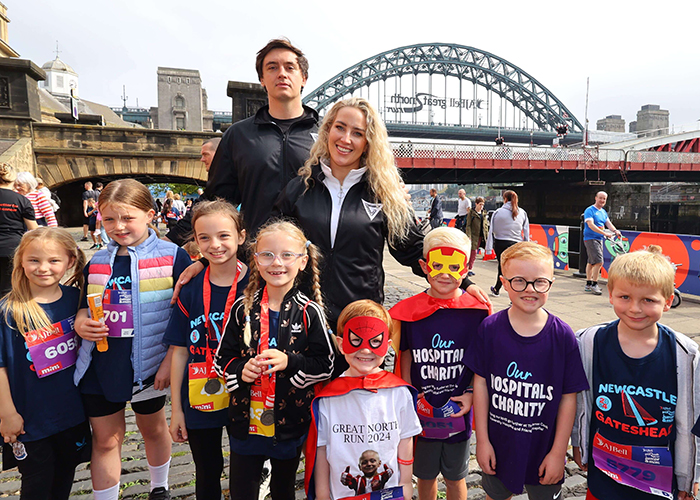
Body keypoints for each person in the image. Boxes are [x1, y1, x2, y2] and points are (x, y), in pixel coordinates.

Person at [273, 98, 488, 347]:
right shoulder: (300, 188)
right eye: (340, 127)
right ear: (328, 130)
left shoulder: (384, 193)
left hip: (360, 323)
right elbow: (273, 245)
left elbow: (412, 248)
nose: (346, 139)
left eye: (358, 133)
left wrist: (464, 282)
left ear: (368, 143)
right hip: (302, 319)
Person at [73, 179, 192, 500]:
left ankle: (160, 487)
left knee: (152, 428)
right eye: (109, 219)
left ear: (150, 215)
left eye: (127, 218)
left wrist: (169, 360)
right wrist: (82, 322)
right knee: (106, 439)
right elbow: (83, 306)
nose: (118, 226)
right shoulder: (96, 260)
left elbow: (184, 315)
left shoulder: (173, 257)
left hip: (151, 365)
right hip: (102, 364)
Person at [214, 220, 334, 500]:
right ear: (256, 259)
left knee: (283, 490)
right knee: (242, 492)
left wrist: (290, 362)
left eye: (286, 255)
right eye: (267, 254)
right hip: (246, 421)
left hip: (289, 421)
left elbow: (325, 364)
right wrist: (242, 370)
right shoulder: (242, 308)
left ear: (302, 261)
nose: (276, 262)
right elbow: (222, 359)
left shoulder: (309, 311)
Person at [571, 246, 699, 500]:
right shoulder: (588, 343)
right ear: (610, 294)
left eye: (648, 300)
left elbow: (689, 420)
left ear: (669, 300)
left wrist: (688, 476)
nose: (635, 309)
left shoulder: (686, 355)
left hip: (658, 483)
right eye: (625, 297)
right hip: (604, 476)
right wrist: (579, 442)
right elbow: (579, 400)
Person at [465, 242, 589, 500]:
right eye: (519, 281)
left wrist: (558, 453)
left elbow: (569, 396)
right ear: (504, 282)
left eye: (539, 282)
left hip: (543, 447)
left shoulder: (562, 335)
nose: (530, 290)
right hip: (500, 443)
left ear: (551, 283)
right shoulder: (490, 329)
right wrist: (483, 441)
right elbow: (481, 385)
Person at [391, 227, 491, 500]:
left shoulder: (477, 313)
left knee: (456, 476)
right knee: (424, 475)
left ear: (466, 268)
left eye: (454, 266)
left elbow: (481, 360)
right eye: (437, 266)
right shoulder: (409, 312)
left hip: (458, 410)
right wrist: (409, 395)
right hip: (422, 409)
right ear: (424, 266)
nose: (445, 274)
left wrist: (471, 394)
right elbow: (406, 354)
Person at [165, 200, 249, 500]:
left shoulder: (259, 283)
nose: (215, 245)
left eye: (224, 235)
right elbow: (179, 351)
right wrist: (176, 409)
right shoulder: (189, 287)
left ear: (240, 236)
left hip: (247, 392)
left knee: (245, 472)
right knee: (207, 470)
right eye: (204, 238)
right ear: (196, 241)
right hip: (200, 393)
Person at [0, 227, 91, 499]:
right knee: (37, 485)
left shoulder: (76, 302)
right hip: (30, 421)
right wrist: (6, 413)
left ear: (70, 262)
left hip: (70, 415)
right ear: (21, 263)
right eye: (34, 260)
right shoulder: (9, 311)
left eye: (53, 261)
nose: (43, 268)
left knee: (64, 479)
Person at [305, 300, 422, 500]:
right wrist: (322, 493)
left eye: (375, 342)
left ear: (387, 346)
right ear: (342, 344)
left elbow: (406, 438)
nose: (366, 350)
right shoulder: (329, 399)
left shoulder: (399, 393)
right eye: (355, 340)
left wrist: (405, 483)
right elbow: (322, 449)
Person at [0, 163, 37, 296]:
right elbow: (33, 230)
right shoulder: (21, 200)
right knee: (9, 287)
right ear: (14, 180)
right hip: (12, 248)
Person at [485, 190, 529, 296]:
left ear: (505, 199)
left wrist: (489, 248)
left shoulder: (498, 212)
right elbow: (526, 230)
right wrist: (526, 244)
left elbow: (492, 230)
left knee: (502, 267)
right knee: (515, 268)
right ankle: (516, 292)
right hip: (516, 243)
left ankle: (497, 289)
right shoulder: (522, 213)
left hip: (500, 242)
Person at [582, 191, 621, 295]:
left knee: (591, 262)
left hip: (599, 238)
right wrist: (604, 233)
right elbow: (590, 225)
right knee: (599, 262)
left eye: (604, 199)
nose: (602, 200)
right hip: (591, 238)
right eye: (600, 198)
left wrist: (615, 231)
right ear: (596, 198)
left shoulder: (603, 212)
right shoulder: (589, 210)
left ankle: (588, 283)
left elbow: (608, 223)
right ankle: (594, 284)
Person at [466, 196, 489, 277]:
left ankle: (470, 268)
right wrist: (469, 235)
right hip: (474, 236)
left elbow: (486, 225)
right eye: (480, 204)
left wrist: (487, 235)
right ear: (476, 204)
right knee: (473, 252)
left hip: (482, 236)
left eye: (482, 205)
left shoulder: (484, 213)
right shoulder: (471, 213)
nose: (481, 206)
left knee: (475, 253)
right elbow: (468, 225)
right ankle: (469, 269)